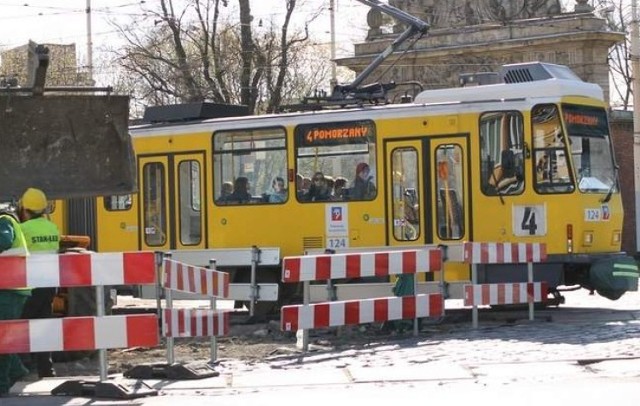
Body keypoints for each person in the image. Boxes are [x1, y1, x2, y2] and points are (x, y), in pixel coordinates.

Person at [18, 188, 59, 378]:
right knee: (43, 324)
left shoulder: (23, 229)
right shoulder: (53, 228)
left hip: (30, 286)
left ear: (25, 210)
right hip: (49, 285)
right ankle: (46, 368)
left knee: (19, 324)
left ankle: (21, 366)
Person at [0, 206, 30, 396]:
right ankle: (17, 370)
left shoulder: (4, 221)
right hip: (9, 287)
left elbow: (3, 240)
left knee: (2, 337)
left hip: (12, 288)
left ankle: (2, 383)